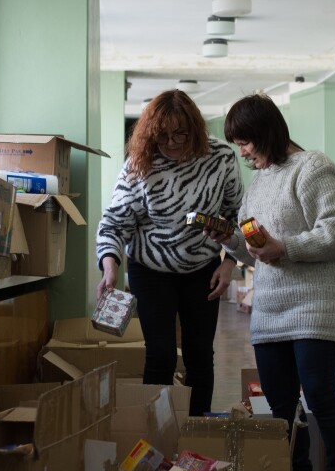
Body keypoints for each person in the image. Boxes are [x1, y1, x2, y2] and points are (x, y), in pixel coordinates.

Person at [208, 93, 335, 471]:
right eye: (236, 144)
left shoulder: (313, 167)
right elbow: (258, 253)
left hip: (317, 303)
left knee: (320, 396)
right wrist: (230, 240)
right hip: (272, 307)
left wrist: (287, 247)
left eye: (245, 142)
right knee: (278, 405)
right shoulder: (259, 183)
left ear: (266, 132)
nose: (242, 152)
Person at [96, 89, 243, 417]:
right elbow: (115, 221)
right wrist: (110, 266)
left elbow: (238, 216)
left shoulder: (221, 159)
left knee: (199, 355)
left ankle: (197, 428)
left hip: (202, 267)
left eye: (181, 134)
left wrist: (230, 262)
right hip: (150, 268)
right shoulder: (140, 162)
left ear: (196, 129)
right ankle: (156, 430)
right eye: (162, 136)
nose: (173, 143)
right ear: (150, 134)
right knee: (160, 353)